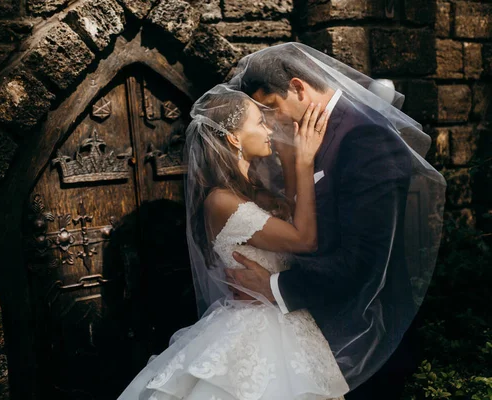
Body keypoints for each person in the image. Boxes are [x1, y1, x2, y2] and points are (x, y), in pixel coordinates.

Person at [224, 43, 446, 399]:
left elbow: (365, 258)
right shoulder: (308, 136)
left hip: (367, 336)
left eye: (271, 108)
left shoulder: (364, 136)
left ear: (297, 87)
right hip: (319, 330)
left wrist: (275, 285)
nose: (270, 122)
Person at [116, 86, 351, 400]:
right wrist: (305, 163)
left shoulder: (255, 192)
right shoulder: (221, 201)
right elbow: (304, 239)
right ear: (234, 138)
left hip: (289, 320)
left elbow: (297, 218)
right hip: (257, 330)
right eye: (259, 122)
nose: (269, 129)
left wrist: (290, 157)